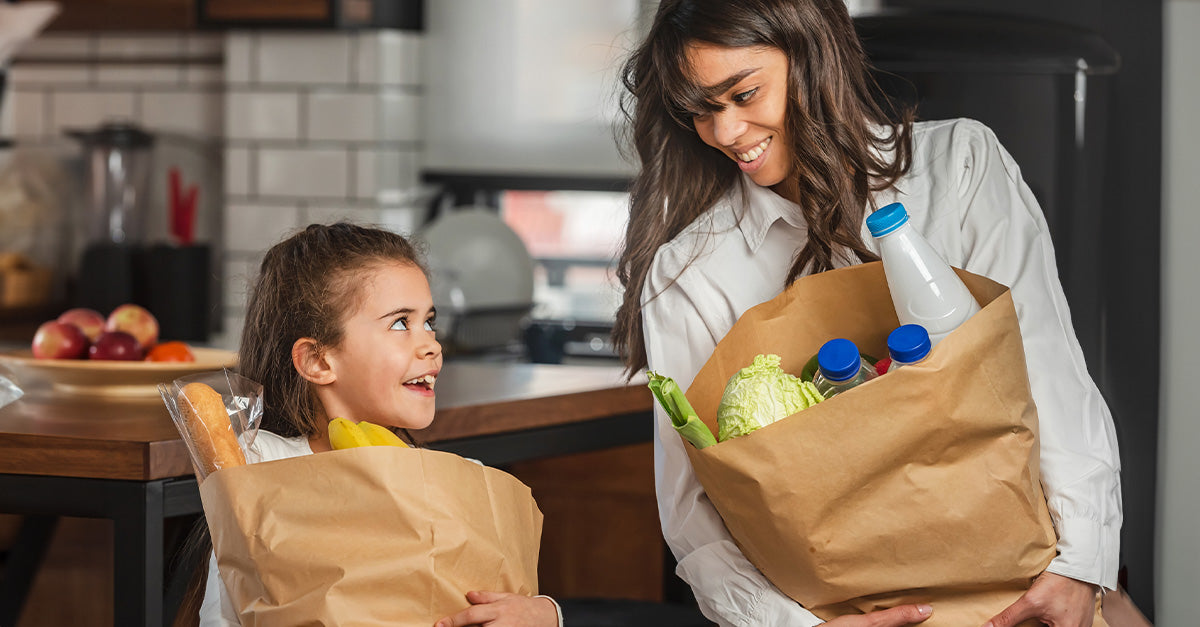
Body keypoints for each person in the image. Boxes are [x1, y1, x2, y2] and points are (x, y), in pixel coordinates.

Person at [611, 1, 1123, 626]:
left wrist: (1080, 566)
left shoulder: (959, 167)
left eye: (744, 94)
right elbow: (693, 506)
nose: (725, 133)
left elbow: (1045, 366)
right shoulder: (690, 270)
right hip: (834, 610)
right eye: (700, 109)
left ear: (813, 57)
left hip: (1018, 586)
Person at [198, 222, 562, 627]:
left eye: (429, 321)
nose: (432, 344)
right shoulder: (258, 473)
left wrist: (546, 614)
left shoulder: (459, 486)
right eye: (401, 323)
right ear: (319, 361)